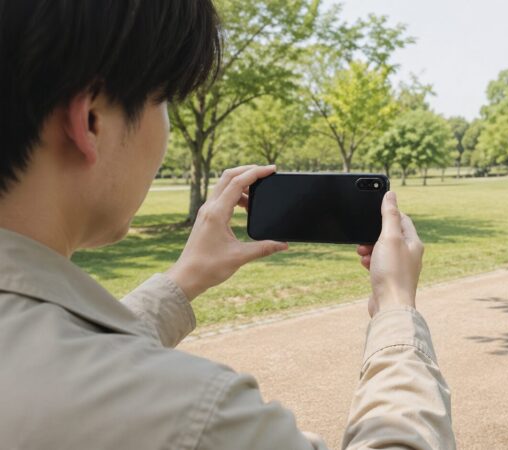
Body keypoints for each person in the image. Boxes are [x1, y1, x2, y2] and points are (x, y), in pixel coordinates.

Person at [0, 2, 455, 449]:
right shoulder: (192, 416)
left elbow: (63, 357)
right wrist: (396, 309)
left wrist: (184, 280)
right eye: (165, 100)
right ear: (92, 121)